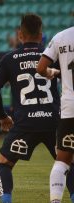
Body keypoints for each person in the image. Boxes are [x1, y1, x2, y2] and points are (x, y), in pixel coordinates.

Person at [0, 13, 74, 203]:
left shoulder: (9, 59)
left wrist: (3, 117)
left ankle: (6, 200)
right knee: (67, 161)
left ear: (20, 34)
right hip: (54, 120)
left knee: (4, 162)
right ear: (41, 34)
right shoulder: (50, 54)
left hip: (25, 122)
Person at [37, 26, 74, 203]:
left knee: (63, 159)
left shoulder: (61, 36)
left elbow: (41, 67)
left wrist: (52, 72)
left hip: (70, 108)